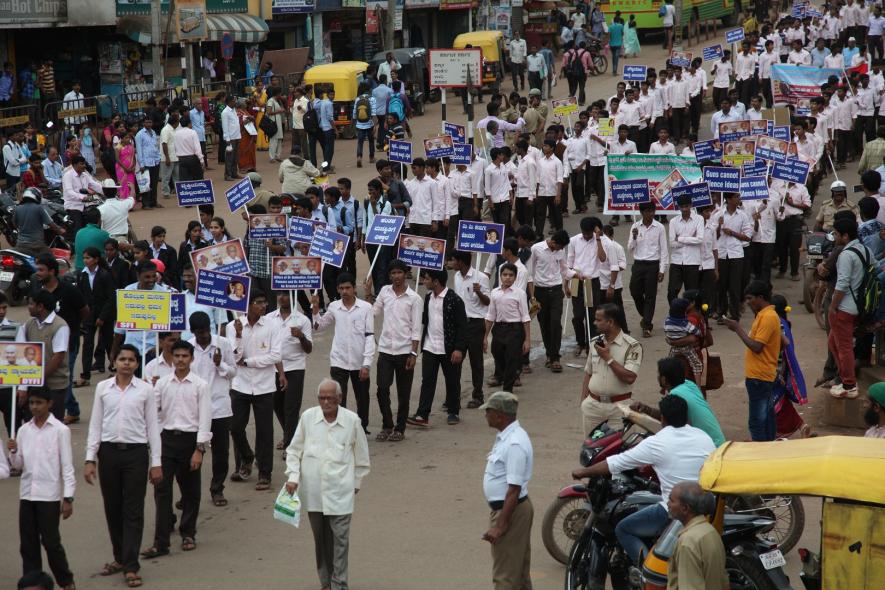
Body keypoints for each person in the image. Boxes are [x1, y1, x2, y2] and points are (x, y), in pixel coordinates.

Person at [571, 395, 715, 567]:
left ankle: (649, 573)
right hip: (708, 506)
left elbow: (615, 462)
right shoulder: (703, 436)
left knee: (623, 529)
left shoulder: (657, 442)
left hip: (677, 513)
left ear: (663, 418)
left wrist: (583, 472)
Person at [84, 344, 163, 589]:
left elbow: (153, 427)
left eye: (131, 360)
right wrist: (90, 459)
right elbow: (95, 424)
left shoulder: (146, 390)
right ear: (114, 362)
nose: (126, 363)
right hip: (109, 453)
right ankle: (120, 556)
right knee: (113, 507)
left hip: (136, 454)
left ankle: (131, 566)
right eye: (122, 359)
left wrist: (156, 462)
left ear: (137, 364)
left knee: (133, 510)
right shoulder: (102, 389)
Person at [285, 378, 370, 590]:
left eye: (330, 398)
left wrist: (356, 482)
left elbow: (362, 458)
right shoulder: (308, 418)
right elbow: (294, 450)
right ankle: (326, 582)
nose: (325, 402)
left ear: (339, 398)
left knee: (340, 541)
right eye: (321, 398)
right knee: (321, 541)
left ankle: (339, 584)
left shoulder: (352, 421)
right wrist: (293, 477)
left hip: (341, 491)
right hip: (313, 493)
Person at [141, 340, 211, 558]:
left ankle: (188, 533)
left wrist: (199, 449)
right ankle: (161, 542)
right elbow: (153, 413)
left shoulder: (201, 385)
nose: (180, 360)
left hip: (190, 441)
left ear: (191, 358)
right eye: (177, 356)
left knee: (191, 492)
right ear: (171, 357)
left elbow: (205, 419)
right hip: (166, 440)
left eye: (185, 356)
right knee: (162, 492)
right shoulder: (162, 384)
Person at [7, 388, 76, 590]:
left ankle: (65, 581)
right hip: (27, 494)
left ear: (49, 404)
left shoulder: (60, 430)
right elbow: (18, 465)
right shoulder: (23, 430)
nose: (35, 407)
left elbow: (67, 467)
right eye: (32, 403)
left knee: (51, 543)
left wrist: (68, 498)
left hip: (49, 496)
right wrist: (13, 451)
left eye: (39, 403)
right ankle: (32, 584)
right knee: (28, 545)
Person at [226, 290, 282, 491]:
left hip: (264, 385)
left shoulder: (272, 325)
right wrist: (239, 336)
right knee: (235, 427)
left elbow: (275, 355)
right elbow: (234, 357)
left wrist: (250, 362)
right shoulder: (233, 326)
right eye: (258, 302)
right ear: (248, 305)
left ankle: (264, 473)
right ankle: (247, 457)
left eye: (264, 303)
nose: (263, 306)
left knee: (265, 431)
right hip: (240, 385)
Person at [481, 391, 534, 590]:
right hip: (511, 509)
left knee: (505, 576)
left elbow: (513, 489)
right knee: (518, 573)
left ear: (500, 415)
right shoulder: (507, 436)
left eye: (488, 411)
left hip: (510, 511)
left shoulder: (514, 444)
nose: (485, 414)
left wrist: (500, 525)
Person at [311, 273, 375, 433]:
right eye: (341, 288)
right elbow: (319, 326)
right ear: (338, 290)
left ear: (354, 288)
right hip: (339, 360)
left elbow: (369, 336)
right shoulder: (334, 307)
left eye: (348, 288)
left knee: (362, 397)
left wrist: (367, 363)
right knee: (339, 397)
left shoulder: (366, 308)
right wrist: (315, 311)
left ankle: (362, 427)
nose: (345, 291)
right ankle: (342, 428)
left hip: (359, 361)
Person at [407, 269, 467, 427]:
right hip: (430, 347)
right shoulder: (427, 298)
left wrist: (459, 349)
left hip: (449, 349)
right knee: (427, 380)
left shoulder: (454, 300)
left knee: (452, 381)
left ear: (436, 281)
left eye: (426, 279)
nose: (424, 282)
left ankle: (453, 411)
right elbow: (424, 320)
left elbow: (462, 326)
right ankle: (422, 414)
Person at [187, 312, 235, 507]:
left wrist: (220, 363)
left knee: (221, 452)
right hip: (195, 409)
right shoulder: (188, 347)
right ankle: (189, 493)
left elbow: (233, 372)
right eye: (200, 332)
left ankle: (217, 489)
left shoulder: (222, 344)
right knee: (192, 453)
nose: (204, 335)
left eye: (206, 331)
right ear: (193, 332)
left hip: (219, 406)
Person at [723, 280, 782, 441]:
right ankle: (768, 448)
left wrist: (737, 328)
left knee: (757, 422)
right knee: (767, 419)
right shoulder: (765, 316)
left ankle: (759, 453)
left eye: (750, 299)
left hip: (760, 377)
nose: (748, 303)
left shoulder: (768, 317)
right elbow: (782, 341)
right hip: (762, 375)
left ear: (761, 297)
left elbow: (757, 347)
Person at [370, 260, 422, 441]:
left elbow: (416, 329)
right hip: (385, 350)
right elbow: (373, 312)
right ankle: (387, 424)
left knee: (403, 392)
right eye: (393, 273)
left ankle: (400, 428)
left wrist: (413, 353)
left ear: (405, 274)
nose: (396, 276)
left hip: (405, 351)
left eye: (399, 272)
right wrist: (368, 293)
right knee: (382, 389)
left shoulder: (414, 299)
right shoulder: (385, 292)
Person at [632, 357, 725, 446]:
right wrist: (646, 409)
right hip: (719, 441)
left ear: (664, 379)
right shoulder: (689, 384)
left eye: (658, 374)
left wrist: (646, 410)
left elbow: (668, 419)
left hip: (711, 447)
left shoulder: (675, 395)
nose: (657, 377)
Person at [828, 217, 873, 399]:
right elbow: (875, 267)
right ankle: (845, 378)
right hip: (857, 306)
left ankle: (849, 383)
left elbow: (842, 283)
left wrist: (832, 307)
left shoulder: (846, 255)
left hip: (844, 308)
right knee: (833, 342)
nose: (835, 237)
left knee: (843, 346)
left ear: (845, 236)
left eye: (837, 234)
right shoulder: (865, 250)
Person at [580, 303, 642, 433]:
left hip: (619, 409)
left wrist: (608, 358)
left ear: (610, 322)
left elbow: (630, 377)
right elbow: (588, 372)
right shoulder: (594, 343)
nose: (594, 323)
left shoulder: (632, 346)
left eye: (598, 320)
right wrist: (583, 401)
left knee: (620, 451)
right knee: (591, 450)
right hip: (593, 407)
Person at [266, 292, 312, 449]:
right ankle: (291, 435)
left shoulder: (302, 320)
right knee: (276, 404)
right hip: (273, 368)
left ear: (293, 297)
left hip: (295, 368)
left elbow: (308, 349)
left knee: (291, 407)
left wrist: (301, 336)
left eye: (286, 294)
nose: (281, 297)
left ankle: (290, 446)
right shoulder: (269, 318)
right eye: (279, 294)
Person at [666, 482, 729, 590]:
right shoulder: (710, 531)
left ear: (685, 508)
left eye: (671, 500)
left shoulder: (688, 542)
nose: (668, 504)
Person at [483, 263, 531, 393]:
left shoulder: (520, 294)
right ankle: (508, 374)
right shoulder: (494, 293)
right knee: (497, 353)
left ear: (515, 278)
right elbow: (490, 315)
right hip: (499, 329)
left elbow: (525, 318)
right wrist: (485, 337)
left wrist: (527, 339)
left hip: (515, 330)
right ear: (500, 276)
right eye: (505, 275)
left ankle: (507, 389)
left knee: (511, 358)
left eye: (511, 275)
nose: (508, 278)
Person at [770, 295, 812, 438]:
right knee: (782, 400)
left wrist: (776, 373)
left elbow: (777, 351)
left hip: (777, 368)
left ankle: (778, 434)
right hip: (783, 367)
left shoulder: (778, 324)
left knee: (775, 402)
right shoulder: (785, 323)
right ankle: (801, 425)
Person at [451, 251, 491, 402]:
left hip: (475, 324)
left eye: (454, 260)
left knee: (476, 362)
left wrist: (479, 292)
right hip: (460, 324)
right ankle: (453, 396)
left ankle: (478, 395)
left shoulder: (481, 278)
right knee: (455, 361)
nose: (451, 263)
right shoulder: (456, 277)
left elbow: (487, 302)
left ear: (461, 262)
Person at [531, 230, 571, 373]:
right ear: (553, 242)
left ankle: (555, 357)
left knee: (555, 322)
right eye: (560, 247)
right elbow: (530, 272)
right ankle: (549, 353)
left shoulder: (561, 251)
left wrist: (576, 274)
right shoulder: (536, 249)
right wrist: (532, 295)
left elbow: (565, 269)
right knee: (544, 324)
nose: (561, 250)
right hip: (540, 291)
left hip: (556, 290)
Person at [629, 201, 668, 337]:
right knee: (635, 291)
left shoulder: (659, 228)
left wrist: (662, 269)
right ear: (642, 213)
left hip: (653, 264)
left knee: (650, 296)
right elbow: (630, 248)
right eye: (648, 211)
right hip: (639, 264)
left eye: (653, 211)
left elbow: (663, 250)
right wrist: (634, 237)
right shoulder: (635, 226)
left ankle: (647, 325)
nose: (651, 214)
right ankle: (645, 315)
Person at [77, 247, 114, 388]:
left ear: (96, 259)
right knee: (87, 345)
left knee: (109, 343)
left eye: (88, 258)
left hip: (105, 315)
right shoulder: (82, 275)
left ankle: (114, 368)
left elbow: (111, 298)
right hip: (88, 316)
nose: (85, 260)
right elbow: (80, 296)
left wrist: (102, 317)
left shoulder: (105, 275)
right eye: (84, 258)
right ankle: (85, 375)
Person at [716, 192, 752, 322]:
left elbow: (748, 236)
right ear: (729, 199)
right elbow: (713, 238)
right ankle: (721, 313)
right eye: (736, 197)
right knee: (721, 286)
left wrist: (732, 233)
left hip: (736, 253)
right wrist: (719, 227)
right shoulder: (718, 214)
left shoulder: (742, 215)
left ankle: (735, 314)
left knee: (735, 286)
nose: (739, 199)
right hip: (721, 254)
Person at [667, 194, 703, 303]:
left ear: (691, 205)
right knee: (672, 291)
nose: (685, 209)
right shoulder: (673, 221)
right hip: (677, 262)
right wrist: (691, 239)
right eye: (682, 207)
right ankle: (675, 314)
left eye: (687, 206)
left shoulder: (699, 219)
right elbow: (672, 243)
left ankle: (690, 316)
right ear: (679, 207)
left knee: (691, 293)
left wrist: (681, 238)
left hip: (692, 261)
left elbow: (700, 239)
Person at [14, 188, 65, 257]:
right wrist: (60, 230)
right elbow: (51, 224)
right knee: (51, 260)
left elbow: (15, 224)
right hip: (36, 244)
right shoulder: (39, 208)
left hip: (20, 244)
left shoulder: (17, 208)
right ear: (37, 197)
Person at [175, 116, 204, 182]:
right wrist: (201, 160)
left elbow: (175, 147)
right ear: (189, 123)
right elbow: (197, 147)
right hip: (192, 158)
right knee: (197, 178)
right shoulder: (193, 132)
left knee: (184, 180)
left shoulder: (176, 133)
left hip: (181, 159)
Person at [221, 95, 241, 181]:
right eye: (234, 101)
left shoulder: (233, 110)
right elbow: (225, 127)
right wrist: (227, 139)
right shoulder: (225, 112)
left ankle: (234, 173)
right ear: (229, 102)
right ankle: (227, 174)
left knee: (235, 157)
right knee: (229, 157)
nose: (235, 102)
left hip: (236, 136)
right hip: (230, 138)